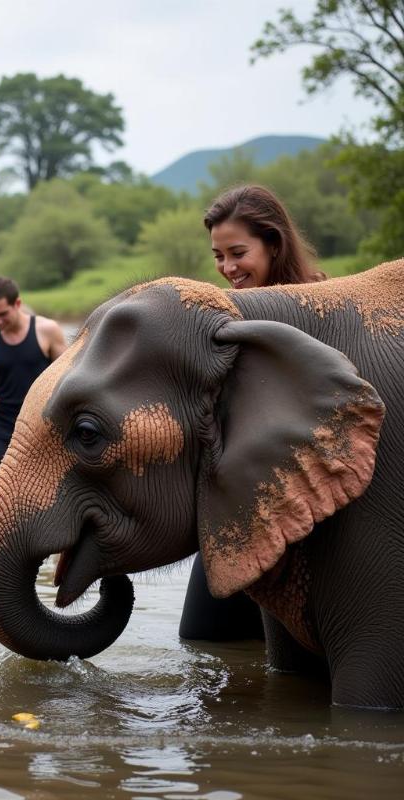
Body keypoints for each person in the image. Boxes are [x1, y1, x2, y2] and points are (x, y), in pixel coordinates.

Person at [178, 184, 326, 641]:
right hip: (237, 505)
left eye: (238, 253)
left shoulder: (324, 303)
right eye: (218, 257)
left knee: (291, 653)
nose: (227, 268)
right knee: (202, 640)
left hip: (310, 505)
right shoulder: (227, 314)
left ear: (274, 244)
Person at [0, 277, 68, 472]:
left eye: (2, 314)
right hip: (2, 425)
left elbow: (67, 373)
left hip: (43, 424)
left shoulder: (47, 330)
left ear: (18, 304)